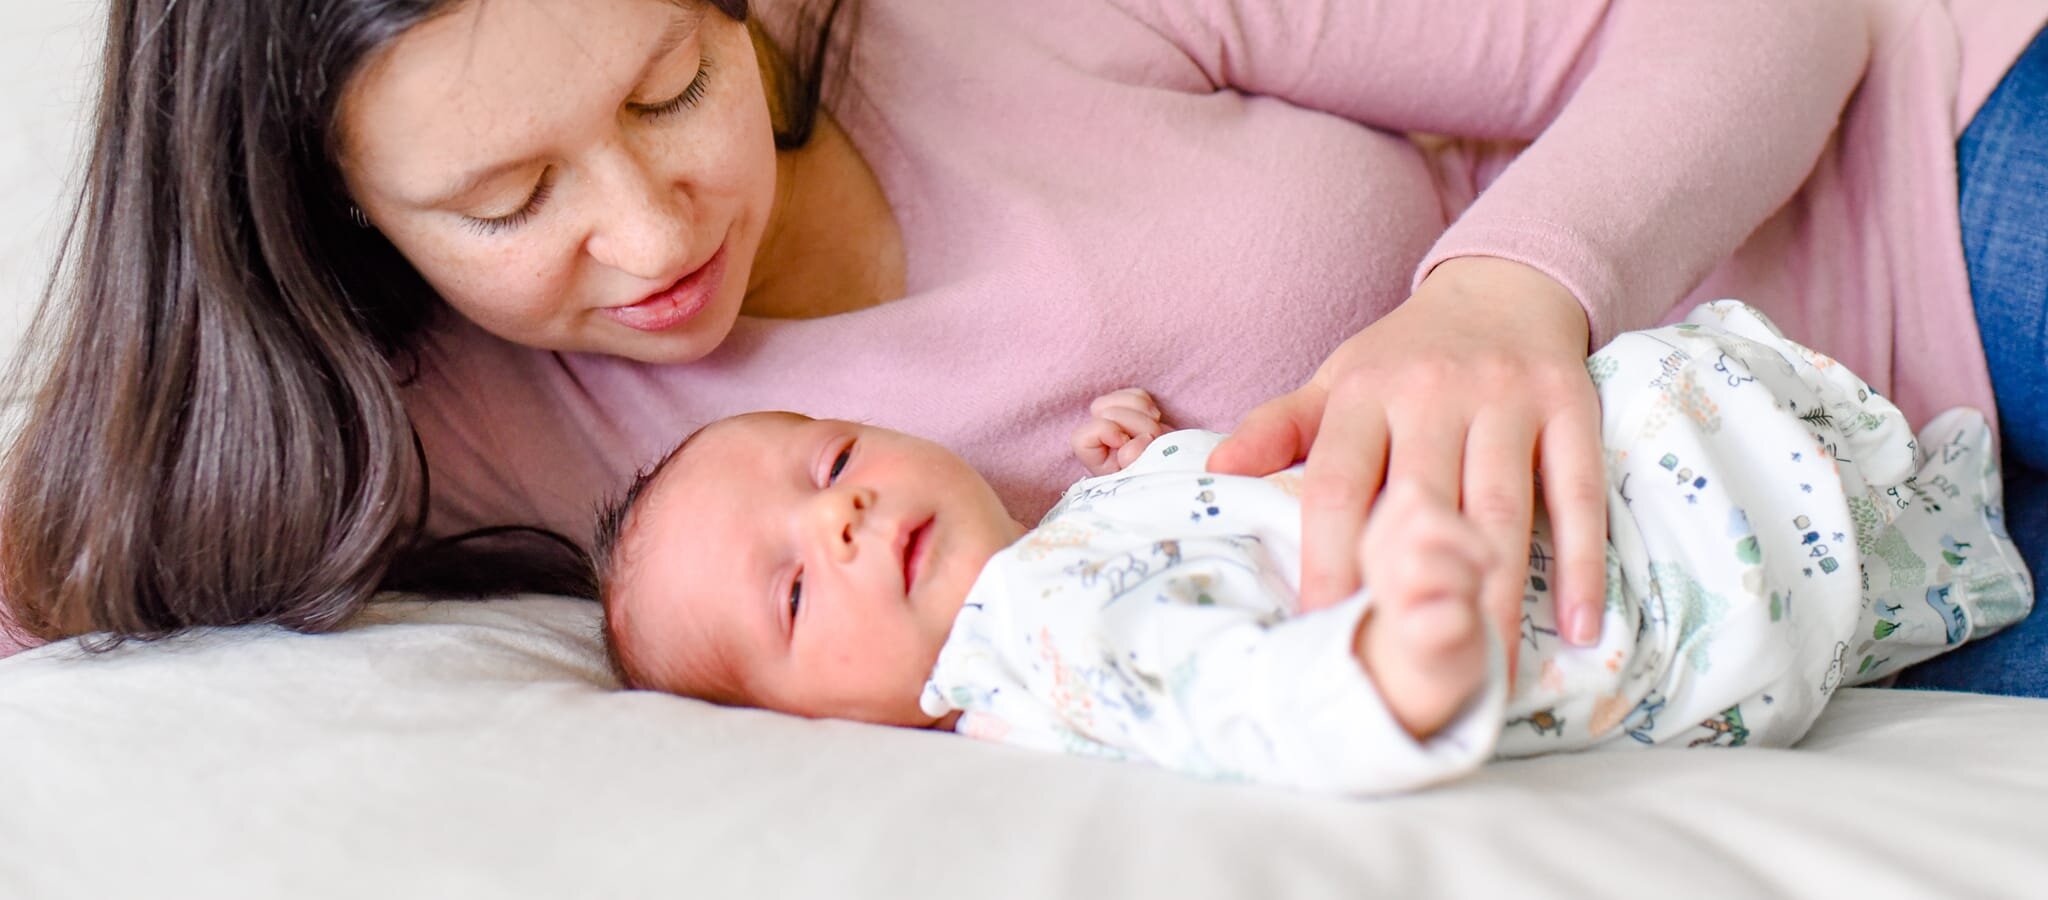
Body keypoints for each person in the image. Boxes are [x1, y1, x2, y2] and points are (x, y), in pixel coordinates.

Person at [2, 0, 2044, 700]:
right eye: (506, 201)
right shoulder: (415, 426)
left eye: (666, 91)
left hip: (1939, 193)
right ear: (332, 203)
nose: (643, 235)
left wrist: (1513, 287)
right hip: (1844, 582)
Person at [589, 301, 2031, 795]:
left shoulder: (1060, 551)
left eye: (832, 459)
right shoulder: (1040, 639)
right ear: (807, 727)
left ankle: (1935, 527)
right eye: (791, 587)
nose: (837, 518)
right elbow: (1229, 690)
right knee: (1675, 414)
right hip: (1630, 567)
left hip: (1652, 520)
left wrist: (1140, 460)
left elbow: (1221, 535)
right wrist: (1387, 672)